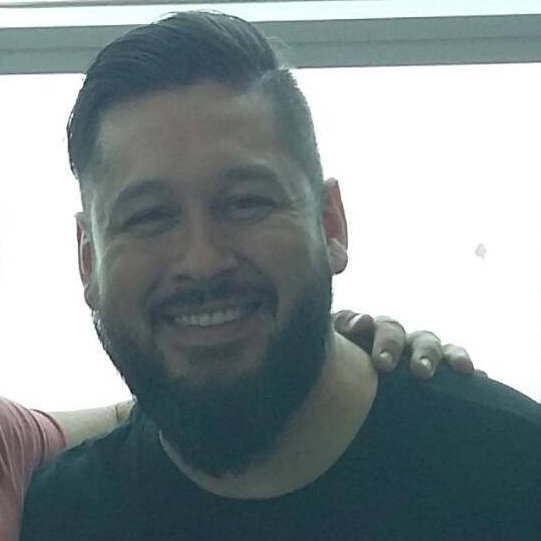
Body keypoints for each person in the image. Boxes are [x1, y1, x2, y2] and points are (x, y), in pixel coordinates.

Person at [20, 11, 541, 541]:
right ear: (88, 260)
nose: (202, 261)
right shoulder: (59, 518)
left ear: (330, 223)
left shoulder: (516, 472)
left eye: (245, 203)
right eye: (149, 216)